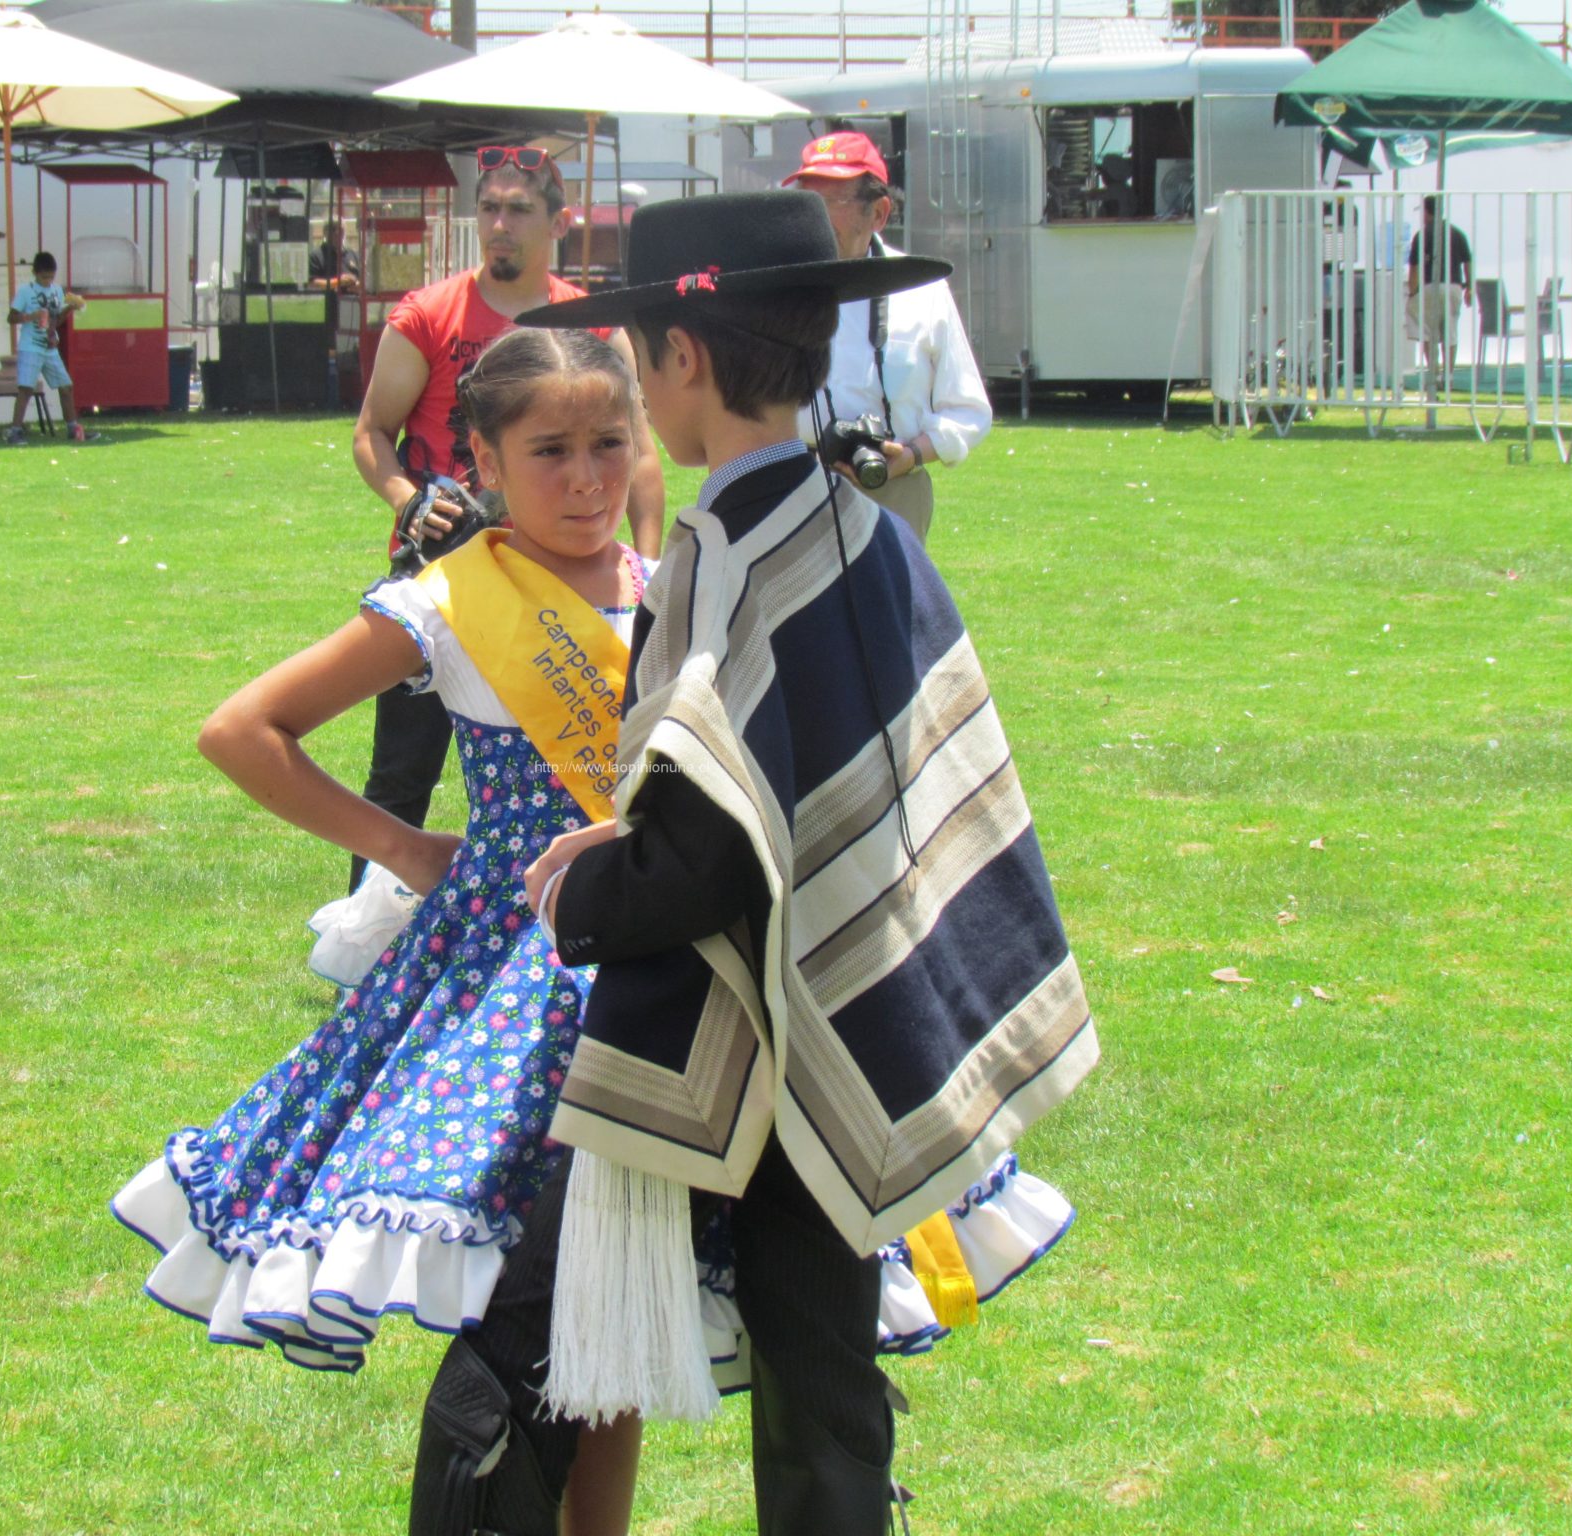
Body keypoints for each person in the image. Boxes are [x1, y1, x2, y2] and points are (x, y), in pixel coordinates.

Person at [408, 191, 1100, 1536]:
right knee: (820, 1386)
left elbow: (708, 856)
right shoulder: (868, 528)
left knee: (520, 1352)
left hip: (714, 1028)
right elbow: (884, 785)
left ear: (685, 358)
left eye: (645, 357)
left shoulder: (724, 552)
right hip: (848, 1015)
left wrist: (580, 884)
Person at [112, 328, 658, 1536]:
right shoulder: (449, 601)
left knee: (621, 1291)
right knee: (519, 1290)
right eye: (550, 450)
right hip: (515, 981)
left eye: (608, 445)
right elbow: (242, 730)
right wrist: (410, 850)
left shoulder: (669, 587)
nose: (583, 479)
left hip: (658, 960)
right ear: (483, 457)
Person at [347, 146, 665, 892]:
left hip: (582, 584)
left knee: (593, 777)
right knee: (401, 773)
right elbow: (371, 434)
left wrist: (651, 583)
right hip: (449, 576)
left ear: (558, 222)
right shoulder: (426, 314)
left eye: (519, 209)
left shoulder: (593, 326)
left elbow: (641, 456)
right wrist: (410, 501)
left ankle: (594, 914)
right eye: (489, 207)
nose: (499, 224)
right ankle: (367, 944)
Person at [783, 131, 992, 544]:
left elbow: (967, 410)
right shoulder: (777, 286)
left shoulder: (919, 285)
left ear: (879, 213)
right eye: (805, 203)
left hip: (890, 489)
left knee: (894, 608)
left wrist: (910, 455)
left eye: (829, 205)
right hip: (792, 489)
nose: (813, 220)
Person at [5, 251, 101, 446]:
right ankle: (15, 431)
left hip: (50, 346)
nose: (48, 281)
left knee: (66, 386)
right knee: (25, 388)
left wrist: (70, 308)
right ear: (35, 273)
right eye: (44, 277)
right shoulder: (26, 291)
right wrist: (30, 316)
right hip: (30, 346)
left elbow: (56, 320)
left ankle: (73, 428)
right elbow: (11, 318)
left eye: (51, 276)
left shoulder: (57, 290)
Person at [1406, 195, 1473, 396]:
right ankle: (1449, 376)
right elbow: (1468, 263)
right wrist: (1469, 287)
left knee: (1427, 331)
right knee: (1450, 331)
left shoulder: (1422, 235)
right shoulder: (1457, 234)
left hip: (1429, 288)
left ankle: (1433, 374)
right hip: (1453, 286)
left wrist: (1412, 292)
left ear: (1427, 212)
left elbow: (1414, 267)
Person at [306, 218, 360, 294]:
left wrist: (358, 286)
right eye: (333, 229)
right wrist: (338, 282)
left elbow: (364, 281)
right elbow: (312, 284)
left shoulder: (353, 255)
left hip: (353, 303)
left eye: (340, 229)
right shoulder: (316, 256)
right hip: (329, 303)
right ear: (325, 232)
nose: (337, 233)